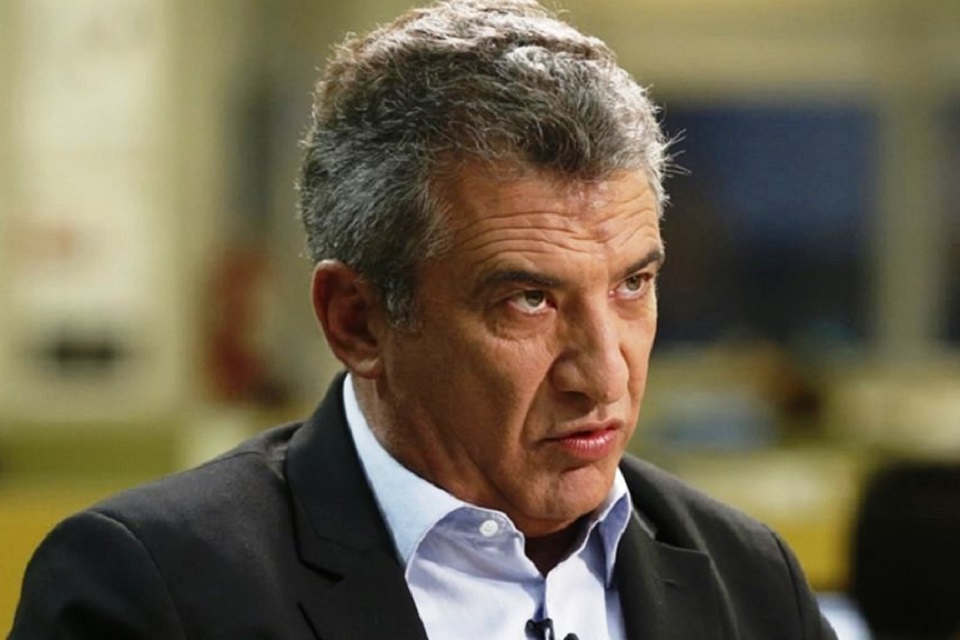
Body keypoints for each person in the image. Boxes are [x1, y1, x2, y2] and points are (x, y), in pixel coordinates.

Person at [11, 1, 837, 638]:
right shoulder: (151, 591)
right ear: (357, 322)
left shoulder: (747, 578)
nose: (604, 375)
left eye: (632, 285)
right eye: (529, 300)